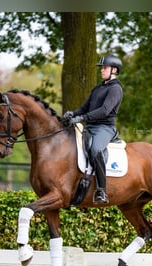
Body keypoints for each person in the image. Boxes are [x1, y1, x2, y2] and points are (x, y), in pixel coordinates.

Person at [63, 54, 123, 204]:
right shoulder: (98, 88)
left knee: (95, 149)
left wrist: (82, 118)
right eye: (101, 68)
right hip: (90, 127)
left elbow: (104, 110)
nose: (102, 71)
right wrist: (73, 114)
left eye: (105, 68)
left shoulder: (116, 89)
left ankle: (101, 190)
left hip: (105, 128)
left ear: (114, 70)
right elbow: (84, 108)